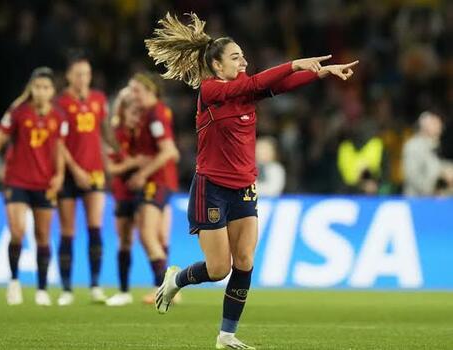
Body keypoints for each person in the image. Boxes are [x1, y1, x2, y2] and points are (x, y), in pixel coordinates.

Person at [145, 13, 358, 349]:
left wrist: (320, 73)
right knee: (218, 270)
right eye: (235, 57)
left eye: (243, 55)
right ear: (216, 66)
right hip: (211, 189)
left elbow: (274, 85)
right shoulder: (211, 91)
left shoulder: (245, 95)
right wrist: (294, 63)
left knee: (244, 262)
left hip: (244, 188)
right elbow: (260, 82)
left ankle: (226, 335)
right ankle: (177, 279)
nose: (243, 61)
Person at [0, 67, 67, 306]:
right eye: (37, 87)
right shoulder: (18, 113)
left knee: (43, 236)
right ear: (31, 89)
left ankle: (42, 289)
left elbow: (59, 149)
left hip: (44, 183)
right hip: (17, 181)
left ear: (52, 91)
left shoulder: (59, 117)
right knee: (17, 232)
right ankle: (14, 281)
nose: (41, 92)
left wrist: (59, 175)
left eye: (46, 88)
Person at [55, 51, 116, 304]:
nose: (83, 78)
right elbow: (57, 142)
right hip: (69, 175)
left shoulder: (99, 100)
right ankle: (67, 289)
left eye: (87, 74)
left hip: (94, 173)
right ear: (69, 76)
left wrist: (117, 154)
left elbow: (105, 134)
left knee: (95, 228)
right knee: (68, 231)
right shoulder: (60, 104)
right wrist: (75, 170)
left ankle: (94, 286)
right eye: (78, 74)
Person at [127, 72, 180, 304]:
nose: (132, 95)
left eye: (136, 90)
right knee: (158, 236)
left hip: (156, 181)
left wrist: (142, 173)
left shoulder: (155, 114)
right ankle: (166, 289)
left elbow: (168, 150)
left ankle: (166, 289)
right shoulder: (153, 113)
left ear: (149, 91)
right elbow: (173, 151)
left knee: (147, 234)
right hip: (164, 180)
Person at [104, 87, 145, 306]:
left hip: (146, 191)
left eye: (139, 113)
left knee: (149, 238)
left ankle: (163, 287)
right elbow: (111, 168)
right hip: (122, 193)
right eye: (132, 113)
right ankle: (123, 290)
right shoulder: (117, 135)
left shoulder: (145, 134)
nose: (136, 117)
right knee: (125, 240)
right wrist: (132, 163)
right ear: (124, 113)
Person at [402, 111, 453, 196]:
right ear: (425, 127)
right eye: (435, 123)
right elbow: (413, 177)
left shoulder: (436, 145)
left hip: (436, 199)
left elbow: (441, 165)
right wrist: (440, 174)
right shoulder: (414, 146)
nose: (440, 127)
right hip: (418, 201)